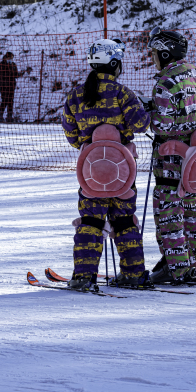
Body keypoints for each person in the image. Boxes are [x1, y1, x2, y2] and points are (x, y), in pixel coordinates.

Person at [61, 39, 153, 290]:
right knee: (124, 220)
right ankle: (134, 274)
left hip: (91, 172)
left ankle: (84, 277)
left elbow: (71, 135)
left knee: (91, 221)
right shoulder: (123, 93)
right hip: (123, 172)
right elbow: (141, 125)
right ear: (114, 63)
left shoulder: (76, 95)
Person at [145, 28, 196, 285]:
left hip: (171, 161)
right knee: (192, 209)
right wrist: (195, 113)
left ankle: (177, 268)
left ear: (165, 52)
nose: (154, 58)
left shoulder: (165, 82)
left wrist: (150, 110)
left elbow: (161, 126)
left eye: (155, 53)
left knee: (169, 212)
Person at [0, 52, 21, 123]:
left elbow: (15, 74)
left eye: (12, 58)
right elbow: (2, 74)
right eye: (9, 58)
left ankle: (9, 116)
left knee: (11, 100)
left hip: (12, 85)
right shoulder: (1, 64)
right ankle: (0, 115)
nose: (11, 59)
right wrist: (10, 72)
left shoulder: (13, 65)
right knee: (4, 99)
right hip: (4, 85)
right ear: (6, 57)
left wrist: (19, 74)